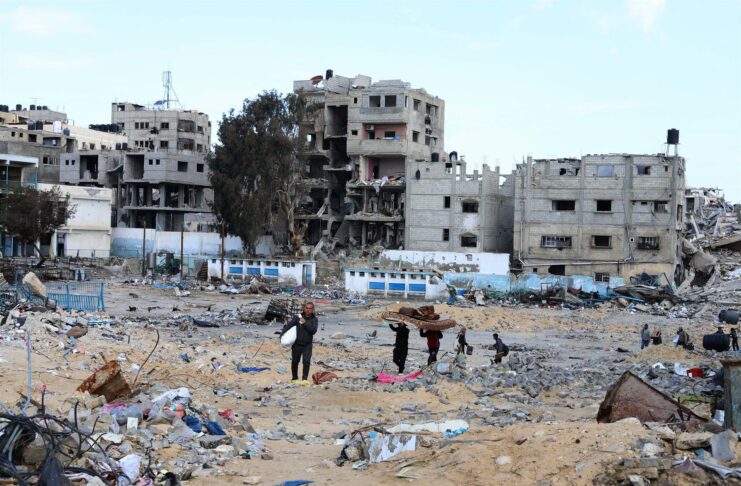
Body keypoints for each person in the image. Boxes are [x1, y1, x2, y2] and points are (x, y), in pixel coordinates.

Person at [280, 302, 319, 385]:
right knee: (295, 361)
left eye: (310, 308)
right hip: (297, 344)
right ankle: (294, 379)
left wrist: (305, 323)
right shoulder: (298, 317)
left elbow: (313, 331)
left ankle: (304, 379)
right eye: (306, 308)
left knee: (306, 362)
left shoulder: (314, 320)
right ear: (304, 308)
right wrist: (282, 335)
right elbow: (289, 325)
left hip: (307, 345)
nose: (308, 310)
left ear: (313, 310)